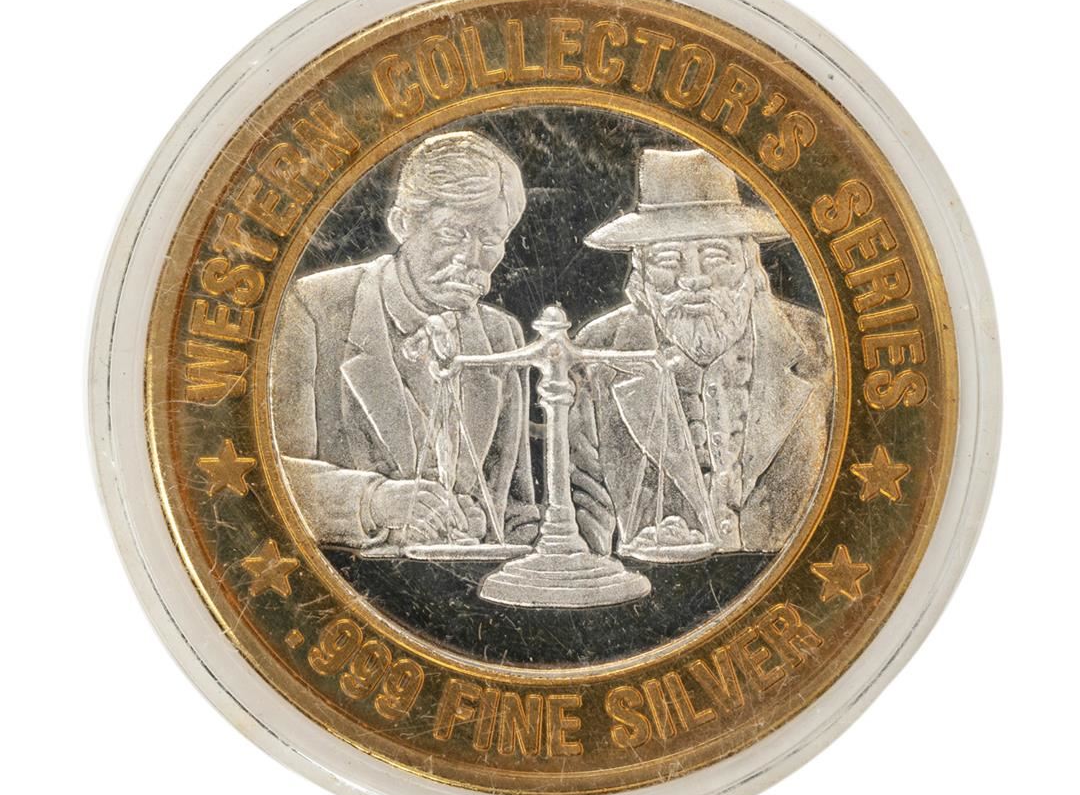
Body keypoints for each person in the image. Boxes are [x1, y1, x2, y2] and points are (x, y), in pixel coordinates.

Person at [271, 131, 539, 551]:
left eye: (490, 239)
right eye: (452, 234)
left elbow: (518, 510)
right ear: (402, 224)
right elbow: (269, 471)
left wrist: (488, 525)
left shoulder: (500, 335)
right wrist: (374, 502)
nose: (470, 258)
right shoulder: (316, 307)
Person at [570, 148, 831, 555]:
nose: (692, 279)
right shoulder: (598, 352)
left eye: (714, 256)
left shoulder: (817, 343)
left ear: (751, 265)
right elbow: (583, 505)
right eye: (668, 259)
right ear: (640, 276)